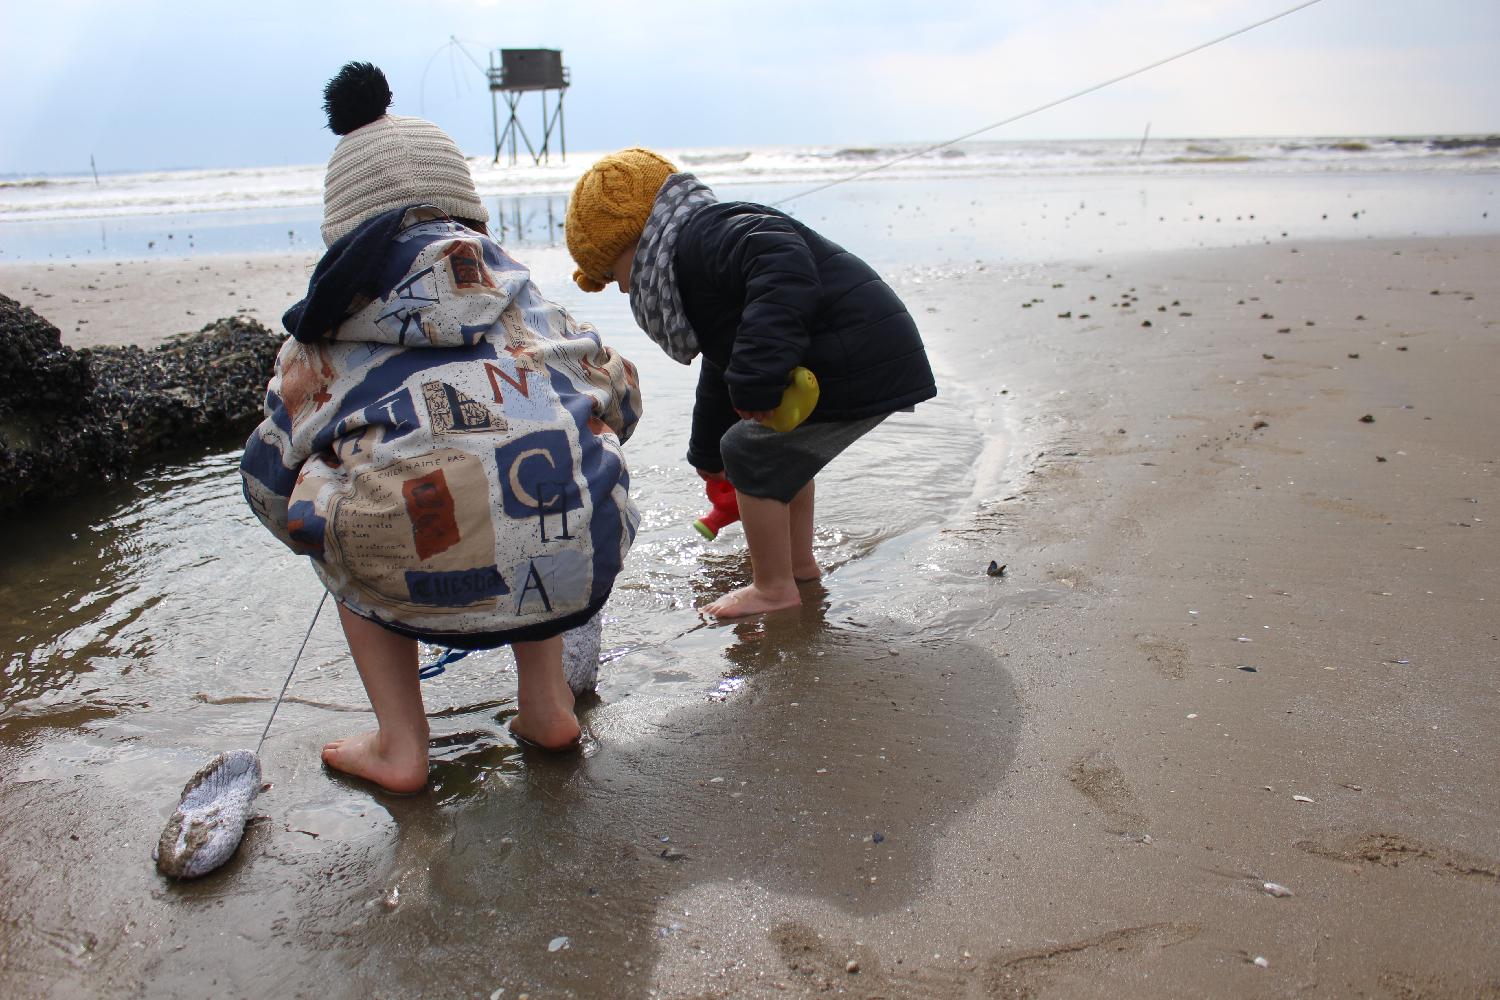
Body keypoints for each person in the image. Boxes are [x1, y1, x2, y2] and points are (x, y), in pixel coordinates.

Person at [240, 64, 642, 793]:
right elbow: (623, 397)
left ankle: (401, 743)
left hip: (407, 571)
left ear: (342, 237)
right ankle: (548, 706)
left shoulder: (320, 346)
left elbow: (266, 483)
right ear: (470, 217)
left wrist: (324, 522)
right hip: (581, 559)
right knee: (542, 466)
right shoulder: (528, 305)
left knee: (332, 498)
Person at [564, 148, 935, 619]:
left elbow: (781, 257)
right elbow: (725, 363)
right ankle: (799, 568)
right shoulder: (694, 254)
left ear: (636, 237)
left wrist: (758, 378)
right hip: (859, 349)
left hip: (855, 349)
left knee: (751, 450)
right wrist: (706, 453)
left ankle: (773, 587)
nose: (622, 289)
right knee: (778, 453)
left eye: (614, 273)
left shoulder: (704, 235)